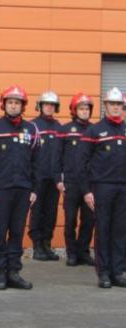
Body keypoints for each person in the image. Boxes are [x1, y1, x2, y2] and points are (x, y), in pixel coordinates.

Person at [0, 85, 39, 290]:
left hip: (23, 189)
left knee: (17, 231)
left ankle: (14, 271)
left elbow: (36, 162)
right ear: (4, 104)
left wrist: (35, 190)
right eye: (10, 102)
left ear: (23, 106)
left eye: (17, 103)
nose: (13, 106)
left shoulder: (31, 129)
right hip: (1, 190)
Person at [78, 87, 126, 289]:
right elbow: (80, 163)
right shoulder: (94, 131)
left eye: (119, 105)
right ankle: (104, 273)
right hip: (102, 187)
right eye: (112, 104)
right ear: (105, 106)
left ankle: (117, 272)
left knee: (120, 231)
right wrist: (87, 191)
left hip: (123, 187)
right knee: (104, 230)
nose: (115, 108)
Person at [53, 93, 95, 267]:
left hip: (90, 184)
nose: (84, 112)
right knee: (70, 220)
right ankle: (71, 253)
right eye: (81, 108)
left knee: (89, 220)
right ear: (74, 110)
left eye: (87, 109)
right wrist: (58, 179)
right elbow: (56, 157)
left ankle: (83, 252)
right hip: (70, 182)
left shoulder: (95, 130)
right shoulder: (64, 130)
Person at [29, 91, 62, 261]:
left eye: (52, 105)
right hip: (38, 178)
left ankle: (47, 244)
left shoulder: (59, 127)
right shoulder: (32, 126)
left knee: (51, 212)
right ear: (40, 106)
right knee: (37, 211)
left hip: (54, 178)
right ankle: (37, 246)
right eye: (46, 104)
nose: (49, 107)